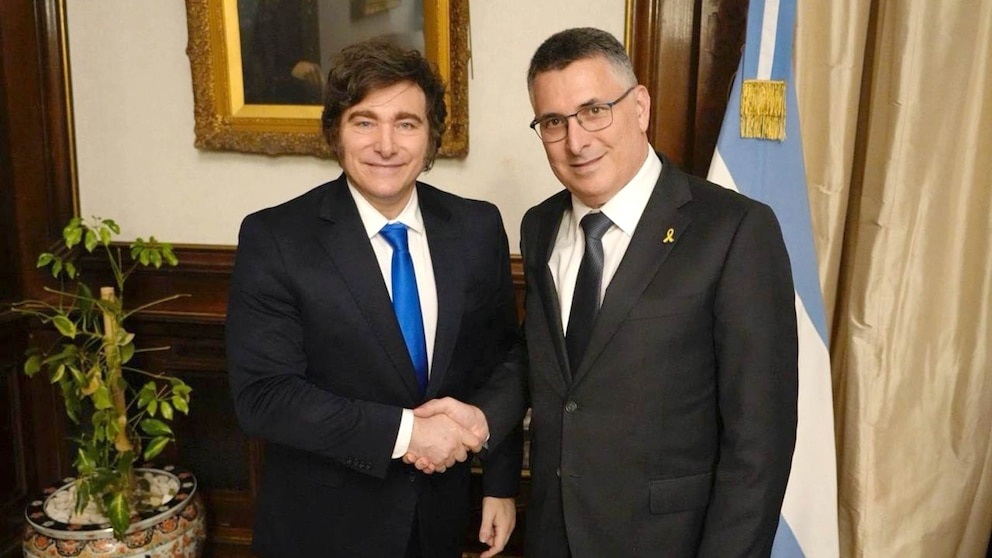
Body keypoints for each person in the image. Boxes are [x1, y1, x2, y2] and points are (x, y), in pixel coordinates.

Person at [416, 27, 798, 557]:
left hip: (669, 543)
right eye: (554, 122)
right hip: (553, 533)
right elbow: (540, 359)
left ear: (639, 107)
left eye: (594, 111)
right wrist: (482, 418)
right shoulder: (540, 225)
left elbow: (760, 442)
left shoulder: (733, 230)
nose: (576, 141)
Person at [226, 38, 522, 558]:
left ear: (431, 137)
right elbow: (265, 397)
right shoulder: (276, 238)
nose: (386, 145)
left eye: (406, 123)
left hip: (440, 520)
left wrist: (499, 484)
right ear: (335, 133)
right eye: (364, 122)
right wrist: (407, 434)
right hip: (323, 530)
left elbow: (504, 361)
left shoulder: (476, 227)